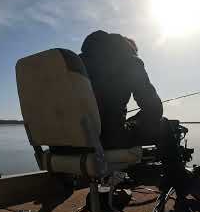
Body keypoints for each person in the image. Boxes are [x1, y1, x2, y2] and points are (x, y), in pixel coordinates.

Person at [78, 30, 189, 197]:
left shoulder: (73, 64)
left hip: (67, 143)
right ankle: (178, 180)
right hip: (107, 139)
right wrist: (133, 121)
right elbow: (154, 110)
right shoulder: (129, 62)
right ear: (128, 48)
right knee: (163, 124)